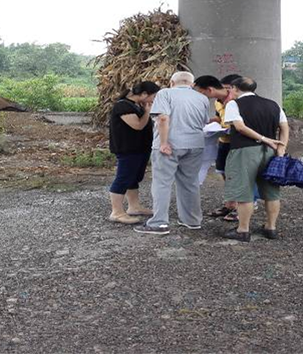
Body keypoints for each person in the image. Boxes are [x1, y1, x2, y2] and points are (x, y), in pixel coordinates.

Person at [134, 71, 210, 235]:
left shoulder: (165, 93)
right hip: (195, 145)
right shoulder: (202, 98)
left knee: (162, 183)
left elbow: (162, 118)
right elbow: (204, 121)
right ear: (192, 84)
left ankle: (159, 223)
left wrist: (163, 142)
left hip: (171, 144)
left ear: (171, 82)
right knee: (190, 182)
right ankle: (192, 220)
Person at [222, 77, 289, 242]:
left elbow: (239, 127)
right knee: (272, 191)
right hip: (270, 152)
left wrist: (263, 138)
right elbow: (284, 127)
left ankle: (243, 230)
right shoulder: (273, 104)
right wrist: (281, 148)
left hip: (244, 152)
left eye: (231, 89)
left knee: (244, 191)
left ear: (235, 88)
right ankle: (270, 228)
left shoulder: (234, 104)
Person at [194, 74, 260, 221]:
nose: (199, 96)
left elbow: (245, 122)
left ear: (209, 90)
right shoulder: (218, 102)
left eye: (200, 92)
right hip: (224, 140)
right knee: (224, 172)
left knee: (241, 174)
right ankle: (231, 204)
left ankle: (248, 204)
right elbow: (220, 116)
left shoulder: (237, 100)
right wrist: (213, 121)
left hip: (238, 143)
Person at [108, 81, 160, 224]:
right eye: (153, 96)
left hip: (140, 148)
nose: (153, 100)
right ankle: (117, 212)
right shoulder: (123, 105)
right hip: (128, 148)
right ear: (143, 94)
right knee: (123, 178)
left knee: (134, 178)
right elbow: (137, 125)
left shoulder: (137, 105)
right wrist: (147, 112)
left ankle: (134, 206)